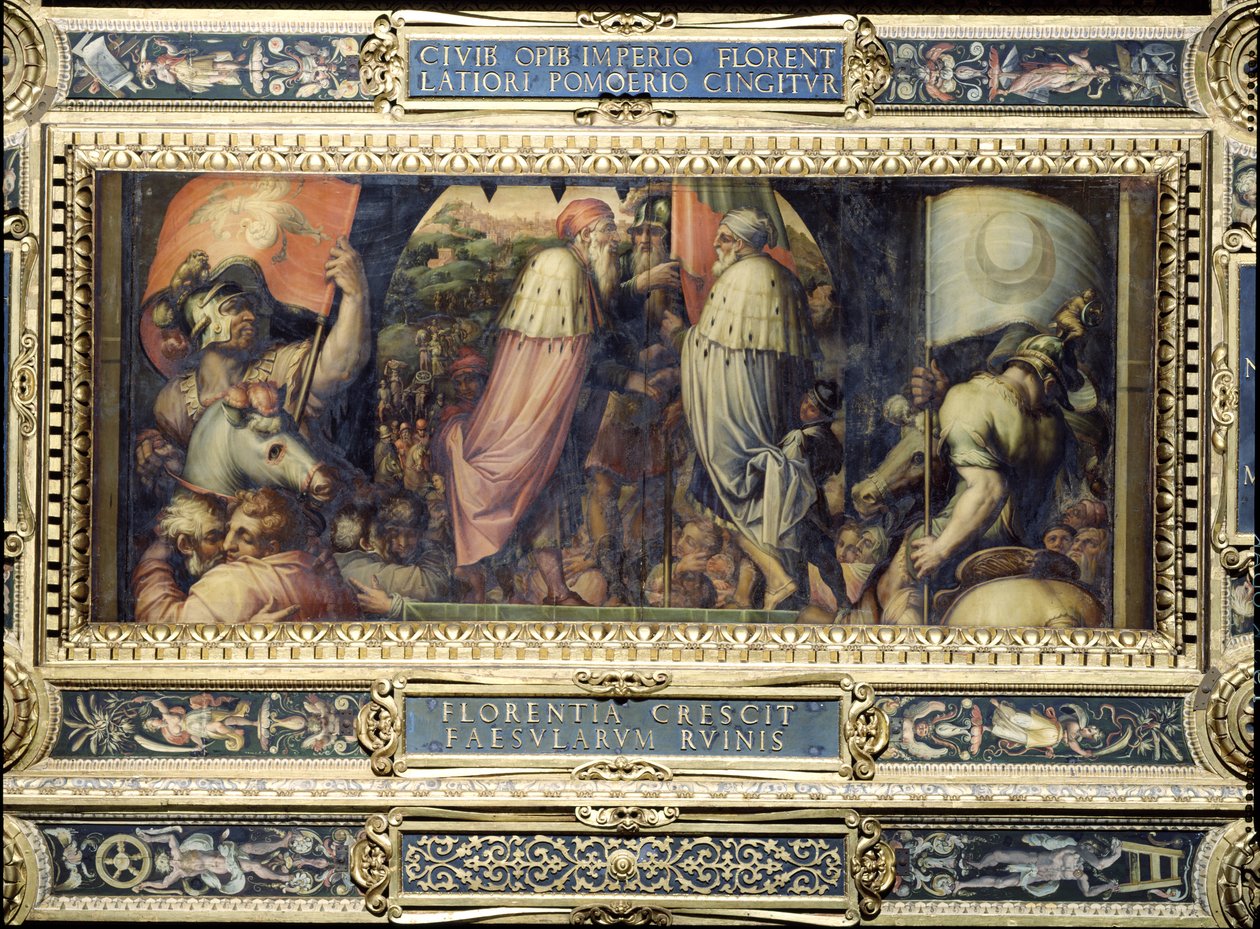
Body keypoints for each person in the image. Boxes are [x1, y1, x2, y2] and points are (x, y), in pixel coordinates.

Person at [442, 198, 659, 604]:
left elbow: (579, 359)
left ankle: (556, 591)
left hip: (554, 411)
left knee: (551, 497)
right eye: (608, 229)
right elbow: (567, 361)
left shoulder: (579, 271)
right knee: (542, 495)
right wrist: (624, 378)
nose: (616, 239)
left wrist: (628, 375)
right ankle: (518, 586)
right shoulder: (562, 268)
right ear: (586, 233)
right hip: (538, 414)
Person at [137, 240, 369, 487]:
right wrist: (165, 463)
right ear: (202, 323)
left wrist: (355, 296)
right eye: (234, 308)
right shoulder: (174, 401)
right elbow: (193, 471)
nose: (250, 316)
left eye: (249, 309)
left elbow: (340, 368)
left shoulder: (281, 363)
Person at [878, 334, 1075, 625]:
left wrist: (940, 549)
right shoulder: (1056, 424)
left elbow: (989, 489)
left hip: (969, 532)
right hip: (1026, 540)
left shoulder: (969, 397)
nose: (1053, 399)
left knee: (892, 585)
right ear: (1049, 384)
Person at [679, 207, 817, 610]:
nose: (716, 245)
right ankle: (753, 592)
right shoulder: (787, 281)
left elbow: (711, 351)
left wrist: (681, 337)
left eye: (723, 238)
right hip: (777, 413)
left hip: (735, 418)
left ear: (739, 243)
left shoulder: (735, 279)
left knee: (728, 501)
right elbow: (800, 361)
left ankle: (776, 578)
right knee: (762, 505)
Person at [584, 194, 684, 602]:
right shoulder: (620, 268)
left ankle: (638, 570)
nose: (643, 239)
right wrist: (641, 284)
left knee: (655, 489)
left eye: (654, 232)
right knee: (603, 481)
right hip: (620, 395)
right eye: (638, 230)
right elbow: (603, 323)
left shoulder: (686, 276)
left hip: (666, 399)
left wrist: (677, 376)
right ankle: (610, 566)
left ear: (669, 235)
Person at [132, 487, 359, 624]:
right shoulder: (315, 571)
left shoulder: (235, 580)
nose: (227, 545)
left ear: (271, 549)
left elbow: (162, 626)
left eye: (245, 538)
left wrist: (153, 565)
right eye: (228, 530)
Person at [336, 492, 450, 603]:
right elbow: (432, 584)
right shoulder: (365, 571)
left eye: (412, 534)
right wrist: (431, 540)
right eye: (393, 534)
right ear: (367, 544)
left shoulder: (361, 563)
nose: (403, 544)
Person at [957, 835, 1123, 898]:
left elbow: (1088, 892)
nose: (1089, 850)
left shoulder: (1078, 873)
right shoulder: (1074, 849)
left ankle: (962, 884)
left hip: (1036, 876)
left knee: (1000, 883)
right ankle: (979, 864)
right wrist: (1116, 855)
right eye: (1090, 847)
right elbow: (1100, 865)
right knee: (998, 855)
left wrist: (1108, 886)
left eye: (1092, 850)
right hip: (1033, 860)